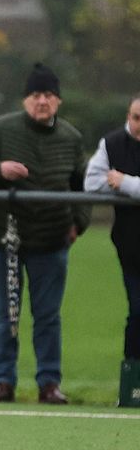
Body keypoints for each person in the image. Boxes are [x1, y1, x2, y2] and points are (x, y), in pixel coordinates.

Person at [0, 62, 90, 404]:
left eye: (48, 95)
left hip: (52, 240)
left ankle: (49, 383)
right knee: (4, 314)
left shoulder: (71, 138)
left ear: (58, 100)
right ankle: (4, 381)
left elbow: (83, 185)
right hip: (4, 239)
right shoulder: (1, 129)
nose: (42, 101)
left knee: (47, 316)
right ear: (25, 100)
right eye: (35, 94)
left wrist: (78, 223)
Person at [84, 94, 140, 364]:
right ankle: (131, 377)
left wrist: (125, 183)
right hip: (131, 246)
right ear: (128, 117)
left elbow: (120, 183)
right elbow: (91, 184)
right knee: (137, 311)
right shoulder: (112, 143)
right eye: (136, 118)